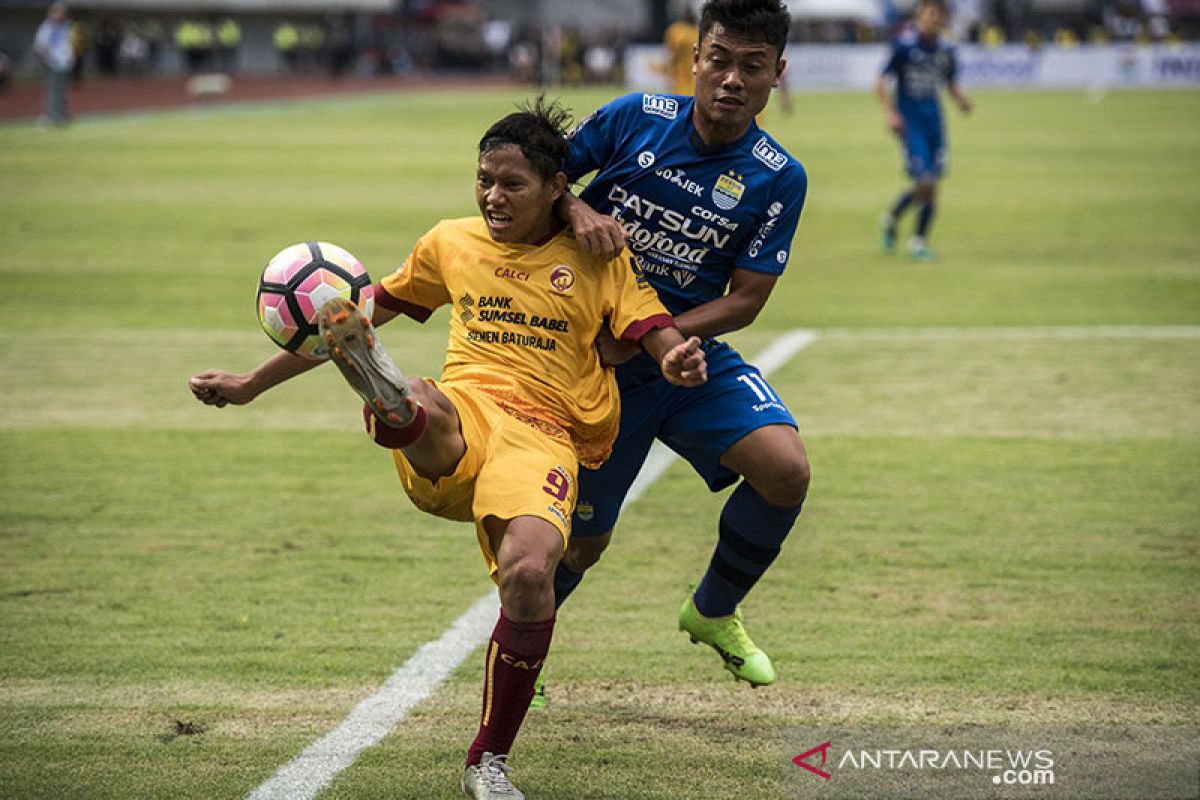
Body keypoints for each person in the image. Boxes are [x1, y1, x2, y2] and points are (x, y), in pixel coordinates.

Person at [189, 99, 706, 800]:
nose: (493, 196)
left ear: (558, 187)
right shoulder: (450, 243)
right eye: (484, 179)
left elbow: (653, 328)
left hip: (547, 436)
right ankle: (391, 404)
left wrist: (676, 357)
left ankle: (487, 761)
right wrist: (252, 383)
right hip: (463, 414)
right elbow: (351, 316)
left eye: (512, 183)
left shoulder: (598, 261)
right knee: (423, 399)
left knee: (530, 574)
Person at [549, 0, 810, 693]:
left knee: (785, 468)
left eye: (751, 66)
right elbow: (537, 174)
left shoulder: (778, 174)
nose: (731, 79)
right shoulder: (634, 118)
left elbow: (748, 298)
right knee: (582, 544)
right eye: (718, 59)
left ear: (777, 74)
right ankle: (522, 660)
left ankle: (713, 610)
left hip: (686, 356)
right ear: (694, 59)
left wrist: (665, 342)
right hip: (599, 362)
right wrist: (576, 206)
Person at [875, 0, 972, 261]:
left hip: (935, 124)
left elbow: (949, 80)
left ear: (940, 18)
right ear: (919, 16)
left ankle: (894, 220)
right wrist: (891, 114)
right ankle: (917, 241)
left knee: (931, 186)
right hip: (911, 124)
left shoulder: (946, 49)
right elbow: (882, 81)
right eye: (926, 14)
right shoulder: (904, 45)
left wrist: (961, 99)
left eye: (935, 14)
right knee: (926, 181)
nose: (930, 18)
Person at [32, 2, 75, 125]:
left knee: (62, 90)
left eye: (61, 12)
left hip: (65, 63)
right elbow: (40, 45)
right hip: (52, 63)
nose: (59, 15)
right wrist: (48, 58)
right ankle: (49, 115)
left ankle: (61, 113)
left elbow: (69, 43)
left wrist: (70, 57)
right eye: (57, 12)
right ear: (52, 13)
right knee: (52, 90)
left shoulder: (66, 26)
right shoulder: (47, 27)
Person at [660, 6, 699, 94]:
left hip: (680, 70)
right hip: (691, 69)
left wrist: (669, 66)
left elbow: (671, 51)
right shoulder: (697, 31)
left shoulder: (676, 31)